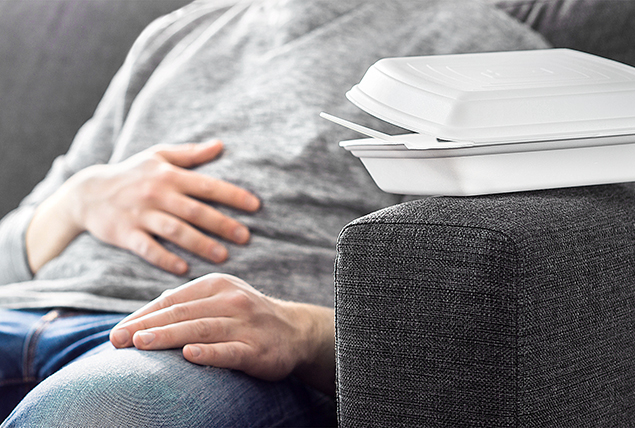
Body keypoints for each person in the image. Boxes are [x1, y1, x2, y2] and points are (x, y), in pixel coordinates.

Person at [0, 0, 549, 426]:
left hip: (190, 350)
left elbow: (499, 329)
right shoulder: (177, 34)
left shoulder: (485, 57)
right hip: (23, 309)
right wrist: (77, 200)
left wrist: (308, 332)